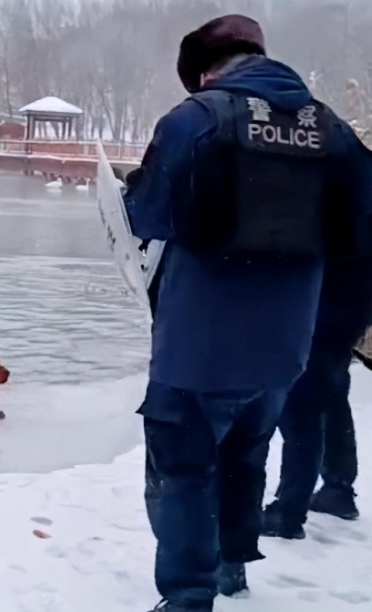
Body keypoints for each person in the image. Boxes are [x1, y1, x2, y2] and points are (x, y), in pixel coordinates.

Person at [122, 14, 371, 612]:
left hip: (197, 346)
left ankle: (187, 597)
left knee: (182, 473)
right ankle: (231, 569)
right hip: (285, 347)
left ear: (206, 70)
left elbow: (145, 217)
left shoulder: (195, 120)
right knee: (245, 457)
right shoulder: (332, 132)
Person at [262, 258, 372, 538]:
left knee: (302, 407)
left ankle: (289, 510)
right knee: (331, 393)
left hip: (320, 295)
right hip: (349, 295)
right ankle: (337, 486)